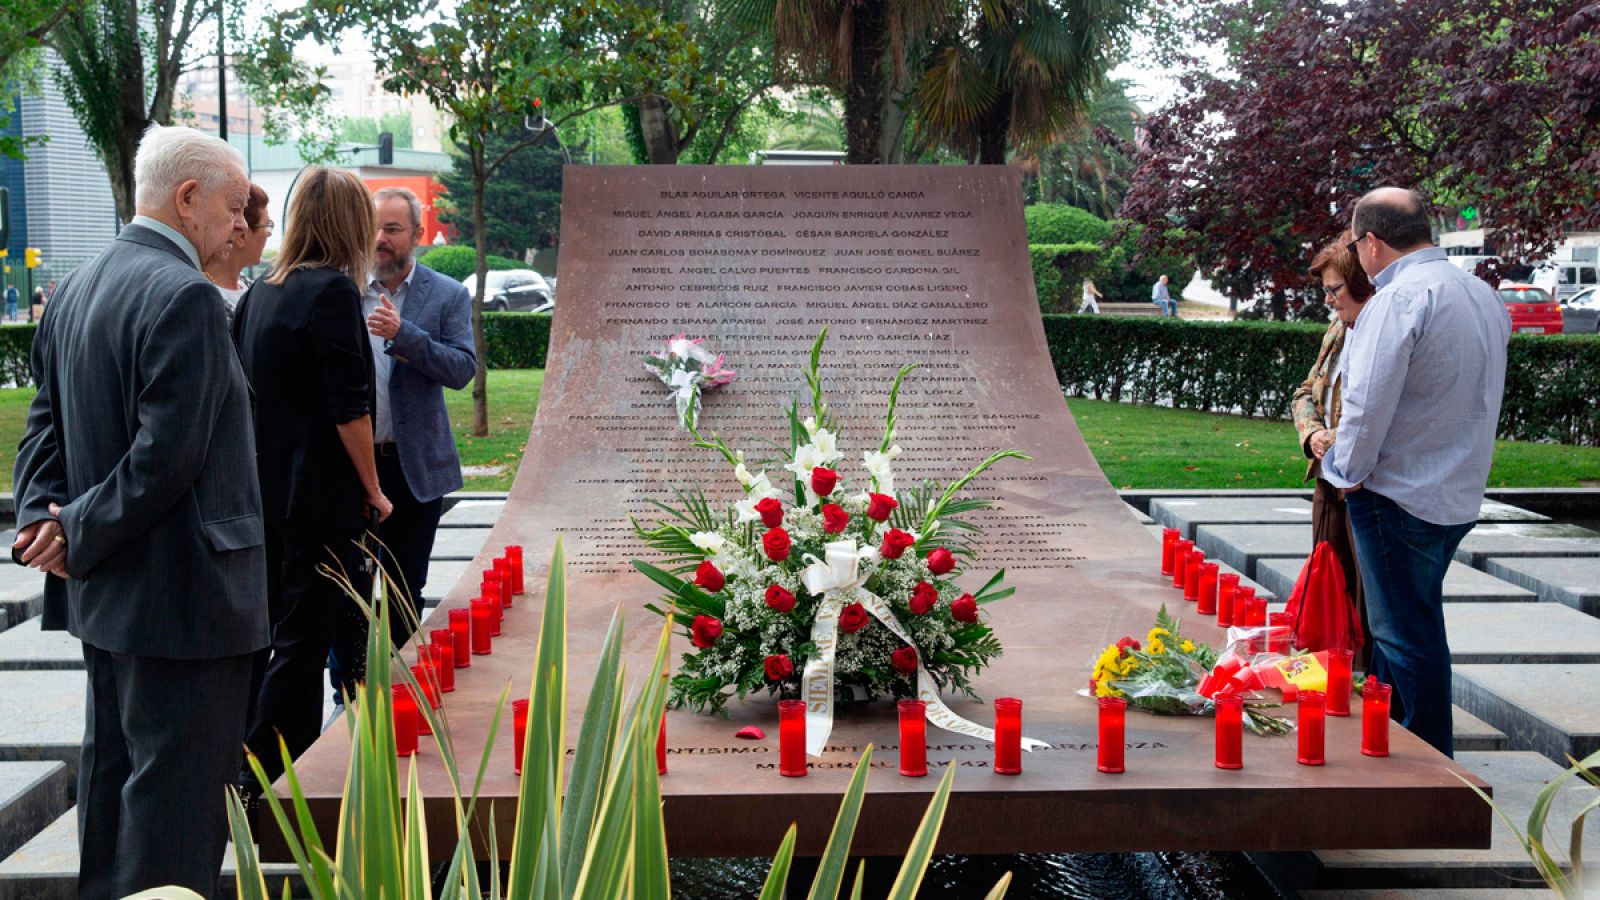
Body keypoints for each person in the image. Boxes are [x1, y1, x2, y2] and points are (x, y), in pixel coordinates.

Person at [10, 124, 269, 899]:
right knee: (174, 814)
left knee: (116, 788)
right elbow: (168, 456)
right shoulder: (186, 294)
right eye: (231, 207)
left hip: (111, 597)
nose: (238, 224)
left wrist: (40, 523)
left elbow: (42, 427)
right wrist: (72, 529)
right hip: (186, 603)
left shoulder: (80, 284)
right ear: (187, 200)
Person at [1323, 187, 1510, 757]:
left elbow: (1365, 403)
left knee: (1406, 636)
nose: (1357, 255)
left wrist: (1346, 475)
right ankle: (1393, 744)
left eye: (1356, 244)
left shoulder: (1398, 299)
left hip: (1396, 496)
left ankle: (1430, 767)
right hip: (1454, 490)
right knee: (1405, 629)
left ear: (1372, 243)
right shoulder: (1480, 294)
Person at [233, 166, 393, 786]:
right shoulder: (330, 293)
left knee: (277, 637)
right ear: (350, 224)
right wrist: (375, 489)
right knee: (302, 644)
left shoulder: (261, 292)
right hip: (318, 498)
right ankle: (264, 783)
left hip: (264, 493)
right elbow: (348, 405)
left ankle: (253, 768)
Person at [327, 187, 475, 696]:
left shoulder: (447, 295)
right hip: (348, 470)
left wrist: (405, 334)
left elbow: (462, 370)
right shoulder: (339, 290)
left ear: (416, 234)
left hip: (413, 469)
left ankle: (400, 693)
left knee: (404, 587)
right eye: (373, 228)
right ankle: (347, 695)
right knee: (346, 590)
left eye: (392, 229)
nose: (379, 240)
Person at [1291, 233, 1376, 667]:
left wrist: (1337, 437)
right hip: (1329, 482)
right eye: (1324, 290)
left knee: (1365, 606)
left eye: (1334, 290)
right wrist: (1313, 435)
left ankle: (1366, 692)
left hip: (1364, 488)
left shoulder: (1379, 333)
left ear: (1362, 282)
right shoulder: (1339, 328)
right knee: (1328, 595)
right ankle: (1333, 678)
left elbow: (1377, 414)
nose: (1327, 300)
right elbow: (1305, 391)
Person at [204, 183, 272, 321]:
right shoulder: (205, 300)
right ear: (241, 234)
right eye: (266, 225)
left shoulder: (252, 288)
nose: (268, 233)